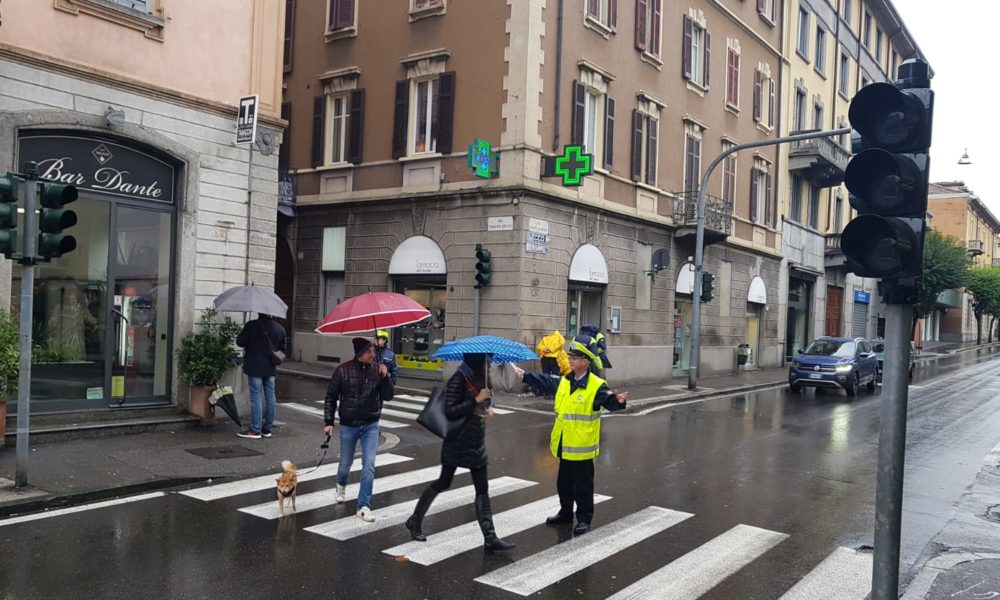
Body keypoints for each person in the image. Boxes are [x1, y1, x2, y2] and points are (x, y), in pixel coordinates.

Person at [404, 353, 516, 552]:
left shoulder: (479, 379)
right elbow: (450, 410)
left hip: (475, 442)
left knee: (482, 488)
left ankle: (490, 538)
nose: (489, 364)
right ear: (476, 361)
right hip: (457, 441)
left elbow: (478, 405)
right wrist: (476, 400)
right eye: (486, 360)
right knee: (444, 482)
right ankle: (415, 520)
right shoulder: (459, 378)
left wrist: (485, 408)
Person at [545, 336, 628, 535]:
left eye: (575, 357)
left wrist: (619, 401)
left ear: (586, 361)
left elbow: (610, 403)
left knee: (583, 486)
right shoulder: (567, 380)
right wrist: (527, 378)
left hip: (582, 447)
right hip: (565, 443)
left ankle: (584, 518)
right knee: (563, 484)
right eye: (570, 357)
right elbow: (548, 385)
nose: (571, 360)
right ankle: (565, 513)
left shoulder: (597, 385)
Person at [324, 337, 394, 522]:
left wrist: (386, 376)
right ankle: (341, 484)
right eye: (369, 351)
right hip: (349, 424)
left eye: (373, 351)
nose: (373, 354)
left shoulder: (378, 371)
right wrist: (329, 422)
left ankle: (363, 506)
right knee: (345, 463)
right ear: (360, 353)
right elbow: (331, 397)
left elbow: (388, 396)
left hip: (371, 424)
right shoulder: (342, 370)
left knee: (369, 465)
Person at [235, 313, 287, 440]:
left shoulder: (251, 325)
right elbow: (283, 349)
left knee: (256, 397)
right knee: (270, 397)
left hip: (254, 367)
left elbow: (240, 342)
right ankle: (267, 429)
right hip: (270, 368)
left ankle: (255, 430)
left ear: (259, 312)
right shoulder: (280, 328)